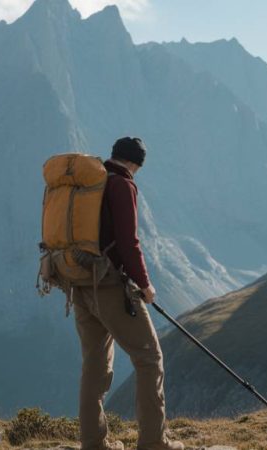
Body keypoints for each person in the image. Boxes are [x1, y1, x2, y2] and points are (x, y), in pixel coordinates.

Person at [71, 137, 184, 450]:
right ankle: (154, 442)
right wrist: (145, 285)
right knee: (150, 358)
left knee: (94, 365)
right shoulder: (122, 185)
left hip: (80, 284)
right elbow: (128, 242)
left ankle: (93, 443)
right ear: (136, 163)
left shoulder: (90, 182)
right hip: (109, 286)